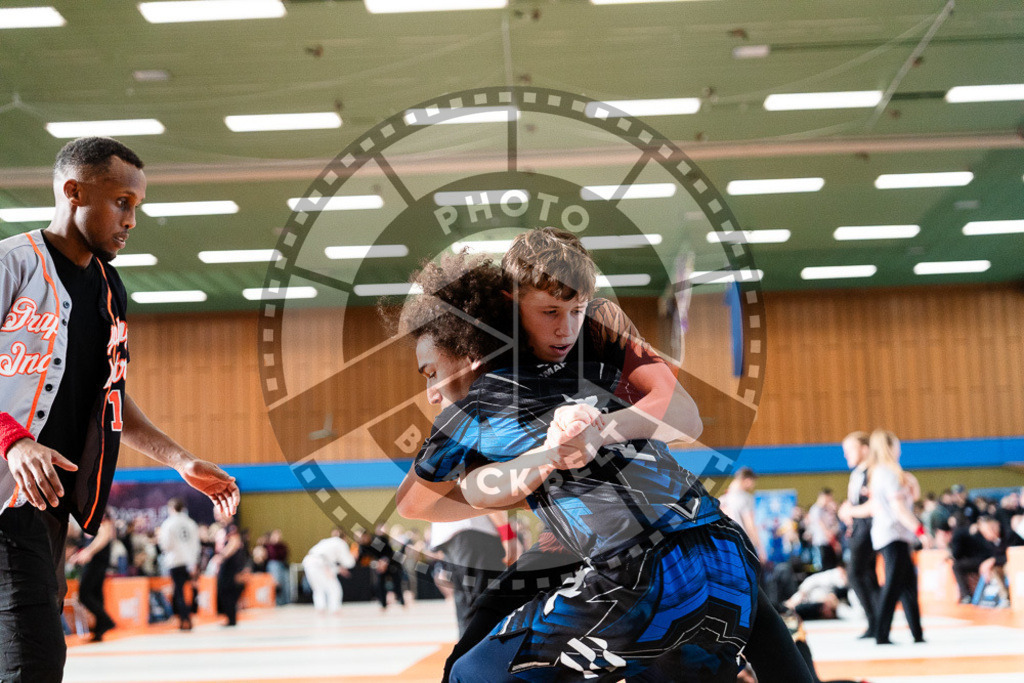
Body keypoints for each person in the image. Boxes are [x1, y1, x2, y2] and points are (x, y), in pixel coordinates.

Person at [396, 241, 812, 682]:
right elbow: (478, 488)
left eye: (575, 309)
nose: (565, 328)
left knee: (471, 670)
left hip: (635, 551)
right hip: (694, 537)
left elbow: (685, 415)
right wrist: (540, 471)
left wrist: (597, 432)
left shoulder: (597, 325)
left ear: (468, 353)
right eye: (550, 312)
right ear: (511, 303)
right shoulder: (533, 380)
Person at [0, 136, 239, 682]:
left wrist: (179, 459)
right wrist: (13, 439)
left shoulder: (110, 290)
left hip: (47, 507)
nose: (131, 220)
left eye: (137, 207)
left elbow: (108, 396)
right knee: (33, 660)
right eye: (122, 202)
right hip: (6, 502)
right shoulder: (12, 264)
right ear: (73, 192)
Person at [867, 429, 925, 645]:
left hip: (894, 535)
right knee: (893, 586)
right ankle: (881, 633)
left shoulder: (883, 473)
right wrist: (920, 530)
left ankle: (917, 633)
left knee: (908, 584)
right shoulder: (887, 473)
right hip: (893, 535)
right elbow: (899, 509)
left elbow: (909, 499)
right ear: (890, 447)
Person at [837, 431, 881, 639]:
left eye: (850, 450)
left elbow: (873, 506)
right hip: (858, 529)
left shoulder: (873, 472)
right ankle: (877, 622)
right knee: (868, 576)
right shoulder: (856, 475)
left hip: (868, 531)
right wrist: (846, 511)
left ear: (864, 449)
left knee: (855, 574)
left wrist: (851, 511)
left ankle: (875, 619)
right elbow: (853, 503)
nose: (846, 455)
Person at [69, 511, 116, 641]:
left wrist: (89, 552)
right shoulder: (88, 514)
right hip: (96, 559)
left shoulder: (99, 512)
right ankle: (100, 629)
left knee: (84, 594)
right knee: (96, 594)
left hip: (97, 559)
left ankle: (106, 620)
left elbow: (104, 535)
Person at [157, 497, 201, 630]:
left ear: (171, 509)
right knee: (190, 590)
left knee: (179, 592)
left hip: (175, 560)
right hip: (190, 561)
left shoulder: (168, 524)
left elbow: (165, 545)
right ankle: (189, 615)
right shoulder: (191, 523)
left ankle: (184, 618)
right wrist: (194, 560)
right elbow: (196, 544)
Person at [302, 528, 356, 615]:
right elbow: (349, 562)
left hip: (308, 562)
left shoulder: (326, 541)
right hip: (320, 563)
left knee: (318, 588)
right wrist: (353, 557)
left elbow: (328, 559)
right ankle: (335, 609)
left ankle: (320, 609)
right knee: (334, 587)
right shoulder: (341, 543)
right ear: (345, 537)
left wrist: (337, 569)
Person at [719, 467, 767, 565]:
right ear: (747, 480)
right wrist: (761, 549)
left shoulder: (722, 500)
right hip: (742, 545)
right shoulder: (746, 498)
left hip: (725, 546)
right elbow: (750, 525)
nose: (753, 485)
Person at [358, 527, 406, 611]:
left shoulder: (377, 541)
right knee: (380, 584)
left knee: (396, 583)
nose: (363, 539)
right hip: (379, 567)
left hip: (391, 564)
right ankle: (383, 604)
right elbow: (362, 560)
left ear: (367, 535)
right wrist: (376, 564)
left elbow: (389, 552)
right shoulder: (363, 546)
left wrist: (384, 561)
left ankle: (402, 602)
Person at [215, 520, 247, 626]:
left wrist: (222, 556)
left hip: (230, 566)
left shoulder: (231, 528)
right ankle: (230, 617)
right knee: (225, 591)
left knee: (227, 591)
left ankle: (231, 618)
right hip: (227, 565)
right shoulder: (223, 530)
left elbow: (234, 543)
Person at [805, 488, 840, 571]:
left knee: (831, 565)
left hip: (828, 542)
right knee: (822, 566)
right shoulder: (815, 509)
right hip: (820, 541)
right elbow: (820, 524)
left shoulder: (826, 509)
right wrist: (828, 533)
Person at [265, 529, 291, 605]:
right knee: (277, 583)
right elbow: (273, 555)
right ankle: (278, 602)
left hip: (282, 565)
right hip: (274, 565)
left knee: (286, 583)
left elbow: (285, 554)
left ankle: (286, 601)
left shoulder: (282, 545)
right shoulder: (269, 546)